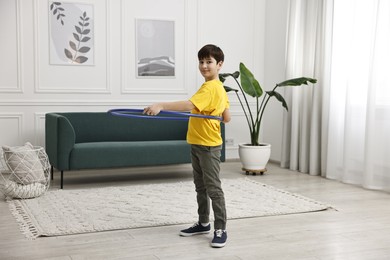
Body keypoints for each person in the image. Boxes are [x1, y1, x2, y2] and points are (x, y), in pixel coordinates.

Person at [143, 44, 231, 248]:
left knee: (213, 188)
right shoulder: (218, 88)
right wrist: (212, 114)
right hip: (198, 143)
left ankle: (221, 228)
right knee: (200, 186)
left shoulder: (211, 87)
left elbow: (190, 105)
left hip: (208, 146)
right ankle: (203, 223)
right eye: (201, 61)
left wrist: (161, 105)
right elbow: (226, 118)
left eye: (209, 62)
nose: (204, 66)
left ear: (220, 64)